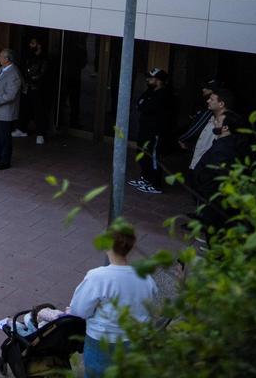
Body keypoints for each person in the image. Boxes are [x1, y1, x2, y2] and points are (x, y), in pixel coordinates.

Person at [66, 220, 157, 378]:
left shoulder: (98, 277)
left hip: (103, 341)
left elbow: (78, 311)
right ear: (131, 246)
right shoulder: (145, 276)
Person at [191, 108, 249, 231]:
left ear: (225, 128)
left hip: (213, 198)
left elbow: (221, 174)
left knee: (213, 228)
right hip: (211, 195)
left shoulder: (223, 149)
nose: (215, 122)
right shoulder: (230, 142)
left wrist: (205, 186)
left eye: (218, 121)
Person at [130, 68, 175, 194]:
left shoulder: (164, 94)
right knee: (142, 154)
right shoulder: (150, 91)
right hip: (145, 129)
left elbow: (146, 107)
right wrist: (143, 105)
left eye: (151, 78)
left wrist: (144, 105)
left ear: (159, 81)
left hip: (156, 132)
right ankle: (145, 178)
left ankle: (155, 184)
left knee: (153, 156)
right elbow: (139, 103)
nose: (148, 80)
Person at [18, 36, 51, 144]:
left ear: (39, 45)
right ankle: (22, 129)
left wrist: (31, 78)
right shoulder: (29, 57)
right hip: (27, 87)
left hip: (38, 89)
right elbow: (25, 71)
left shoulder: (44, 59)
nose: (30, 45)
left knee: (39, 111)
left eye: (33, 43)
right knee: (24, 108)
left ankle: (40, 134)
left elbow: (41, 74)